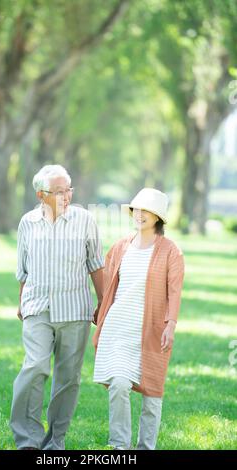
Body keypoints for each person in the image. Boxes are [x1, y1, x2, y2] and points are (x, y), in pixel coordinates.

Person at [10, 164, 104, 450]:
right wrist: (21, 301)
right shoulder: (28, 222)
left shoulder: (85, 220)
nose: (66, 196)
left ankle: (55, 442)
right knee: (35, 366)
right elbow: (23, 270)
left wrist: (104, 303)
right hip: (38, 307)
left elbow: (96, 265)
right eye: (60, 191)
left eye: (69, 190)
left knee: (68, 379)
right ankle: (28, 439)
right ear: (41, 194)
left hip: (74, 310)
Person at [92, 188, 185, 450]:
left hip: (152, 330)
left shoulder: (171, 251)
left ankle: (145, 448)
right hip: (119, 328)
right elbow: (108, 284)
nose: (140, 214)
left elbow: (174, 291)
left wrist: (171, 324)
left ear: (158, 217)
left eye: (147, 211)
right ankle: (121, 447)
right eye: (137, 209)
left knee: (152, 395)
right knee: (119, 384)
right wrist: (99, 309)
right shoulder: (121, 246)